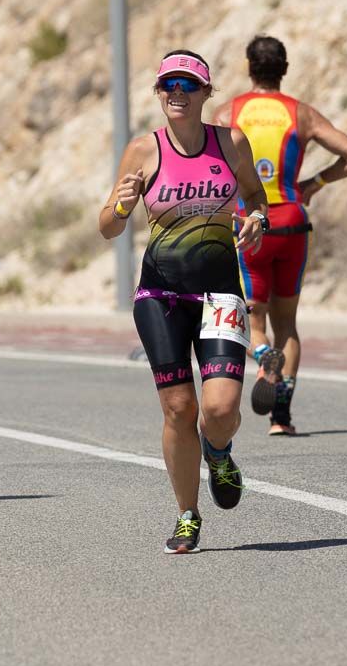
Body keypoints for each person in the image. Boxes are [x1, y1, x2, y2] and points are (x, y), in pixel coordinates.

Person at [99, 50, 268, 554]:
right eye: (167, 84)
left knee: (219, 408)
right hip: (161, 295)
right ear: (158, 93)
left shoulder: (230, 141)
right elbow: (107, 226)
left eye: (187, 85)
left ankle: (218, 450)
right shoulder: (143, 150)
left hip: (220, 292)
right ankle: (187, 514)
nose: (176, 92)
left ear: (205, 94)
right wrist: (124, 205)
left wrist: (257, 218)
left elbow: (256, 198)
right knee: (178, 407)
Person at [212, 35, 347, 436]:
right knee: (289, 322)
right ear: (284, 69)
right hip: (292, 221)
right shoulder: (301, 114)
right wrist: (314, 182)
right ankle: (281, 417)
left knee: (251, 316)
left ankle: (263, 357)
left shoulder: (228, 112)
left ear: (249, 68)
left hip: (250, 223)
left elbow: (211, 166)